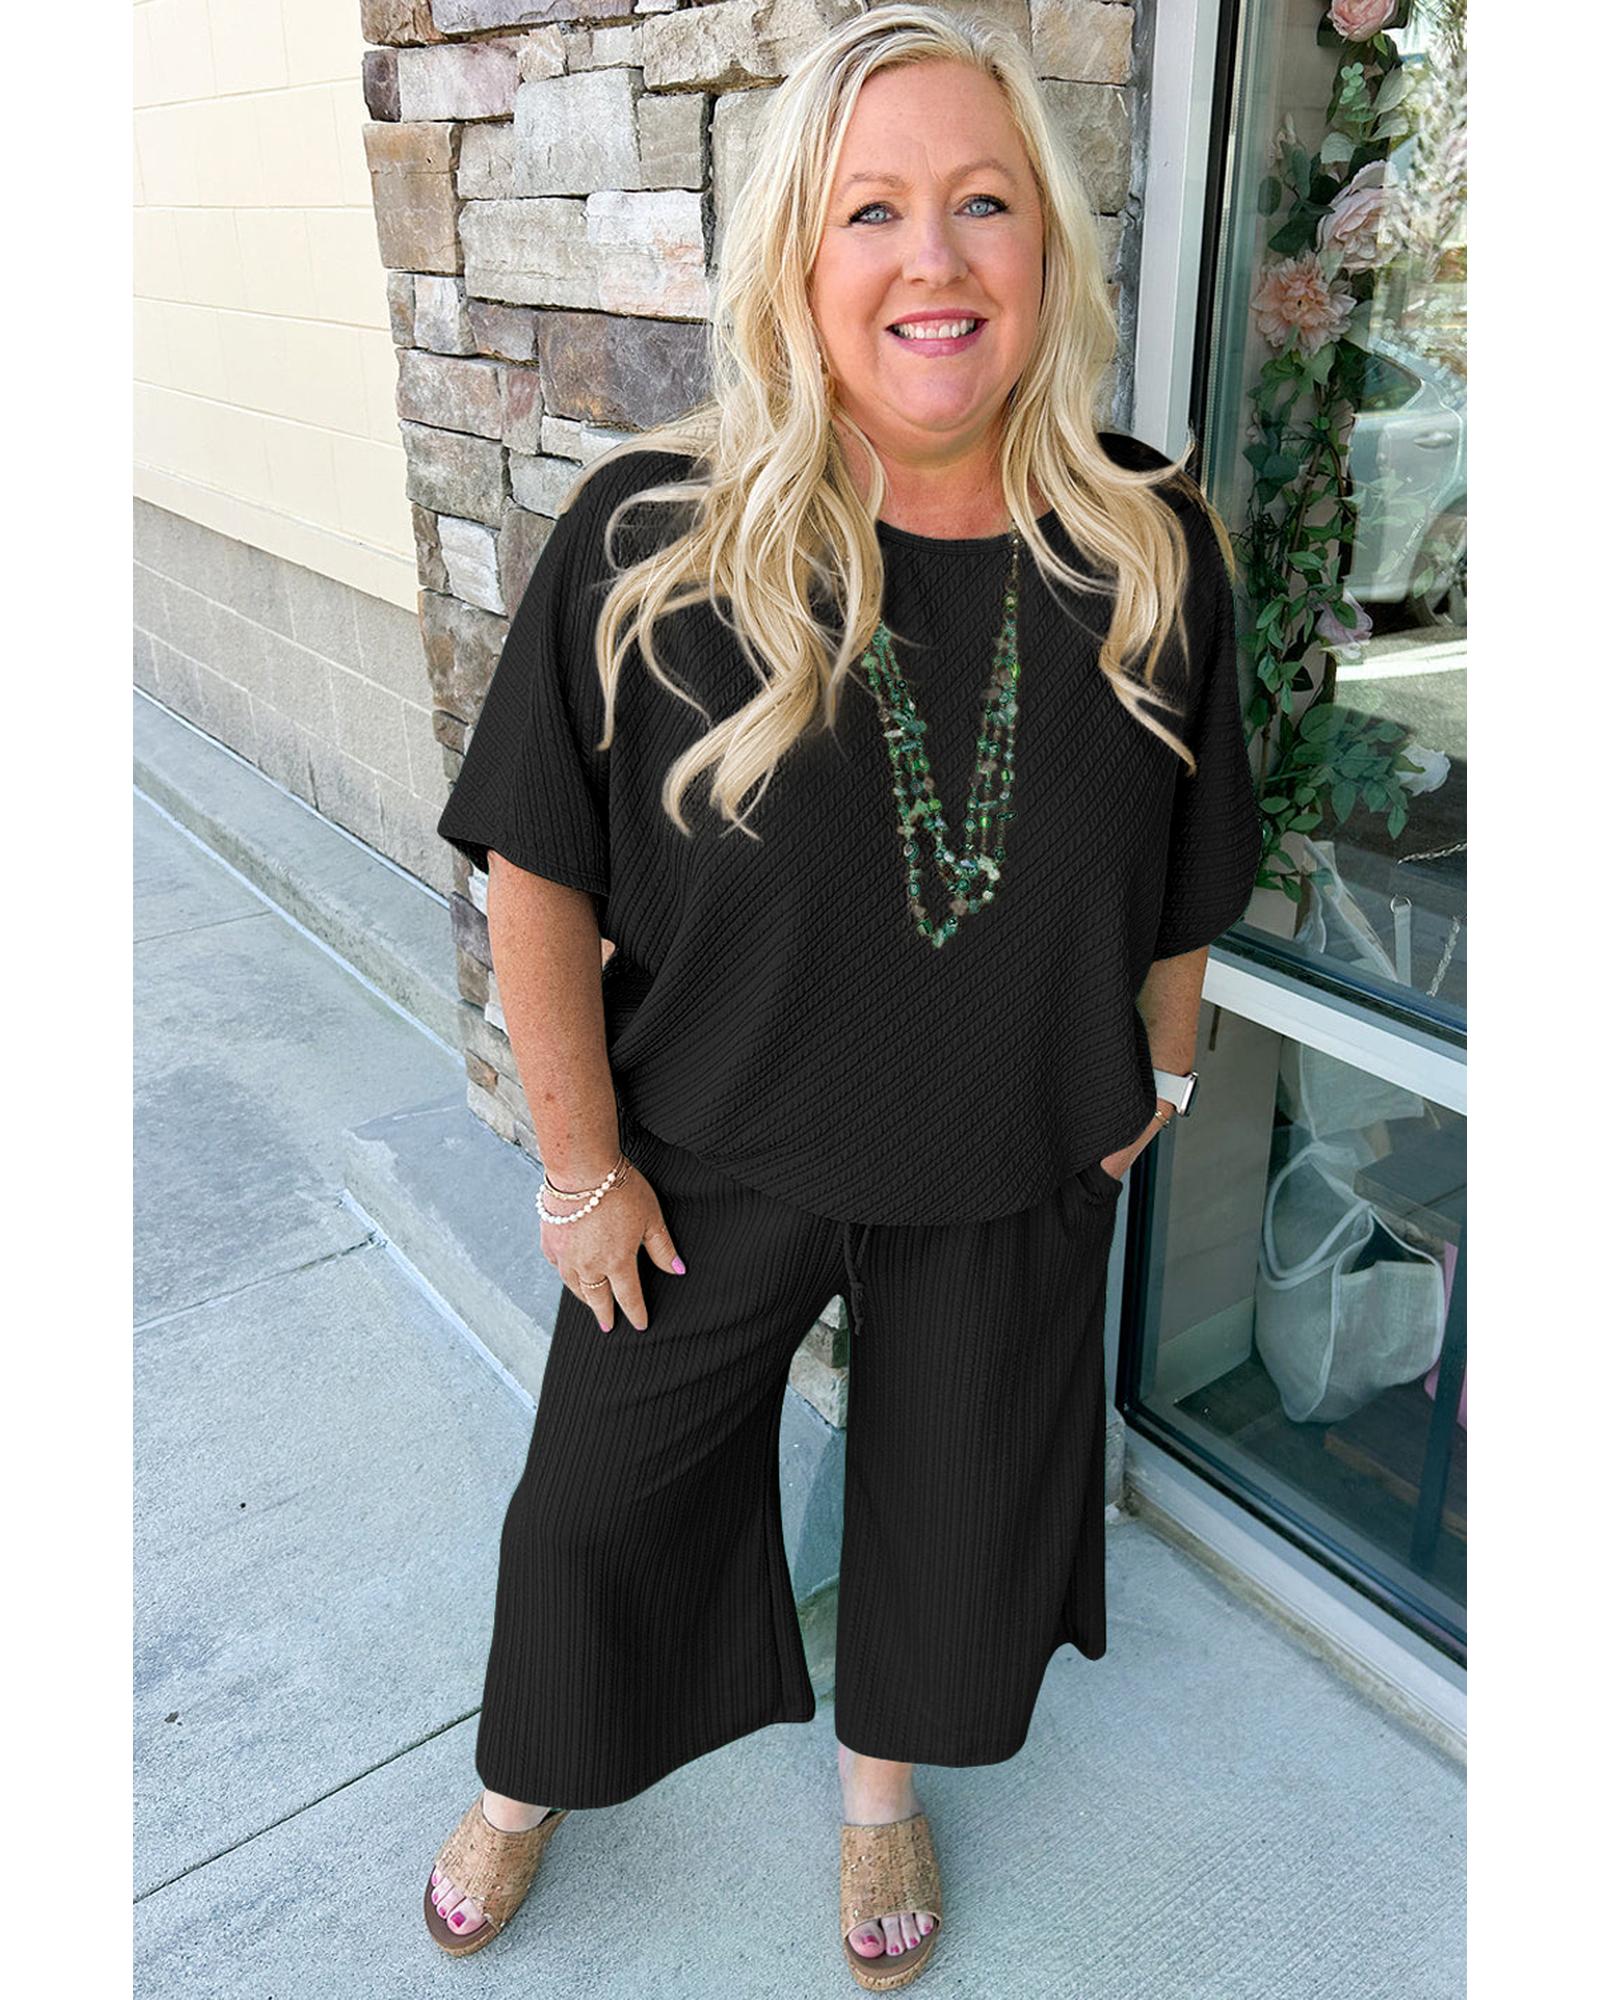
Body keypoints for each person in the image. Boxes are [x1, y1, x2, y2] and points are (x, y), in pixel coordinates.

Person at [422, 4, 1263, 1986]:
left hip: (1009, 1153)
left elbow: (1186, 855)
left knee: (953, 1525)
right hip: (709, 1151)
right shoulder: (656, 539)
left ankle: (877, 1791)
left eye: (982, 203)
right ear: (799, 256)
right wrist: (577, 1168)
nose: (932, 258)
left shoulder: (1146, 542)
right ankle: (522, 1779)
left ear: (1043, 244)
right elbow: (536, 866)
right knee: (593, 1510)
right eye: (871, 209)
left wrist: (1157, 1068)